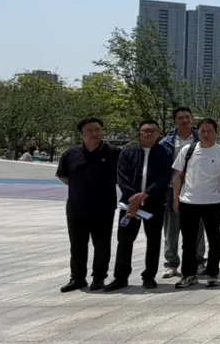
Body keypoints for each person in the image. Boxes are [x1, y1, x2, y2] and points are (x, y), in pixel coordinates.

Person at [106, 120, 173, 291]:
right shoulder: (127, 152)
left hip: (154, 203)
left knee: (154, 240)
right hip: (129, 205)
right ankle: (120, 277)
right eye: (145, 130)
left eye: (152, 130)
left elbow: (164, 177)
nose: (149, 133)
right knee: (124, 240)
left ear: (158, 134)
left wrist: (145, 194)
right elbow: (121, 176)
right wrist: (134, 199)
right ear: (139, 133)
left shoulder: (165, 153)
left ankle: (149, 276)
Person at [56, 117, 121, 292]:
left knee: (102, 244)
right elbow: (64, 177)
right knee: (77, 244)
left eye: (98, 129)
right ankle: (77, 278)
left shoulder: (114, 153)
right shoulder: (70, 154)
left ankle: (99, 278)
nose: (95, 133)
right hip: (76, 207)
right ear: (81, 134)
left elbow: (121, 176)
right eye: (90, 130)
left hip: (103, 207)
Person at [171, 118, 220, 288]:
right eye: (202, 131)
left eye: (209, 131)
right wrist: (175, 198)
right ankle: (189, 274)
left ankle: (212, 273)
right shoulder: (188, 150)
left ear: (216, 133)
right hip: (188, 202)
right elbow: (178, 176)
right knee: (188, 241)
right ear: (197, 132)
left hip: (213, 203)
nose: (206, 134)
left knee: (214, 239)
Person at [159, 107, 205, 279]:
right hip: (173, 188)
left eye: (187, 117)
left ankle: (199, 261)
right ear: (174, 121)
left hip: (196, 188)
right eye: (180, 118)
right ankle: (171, 263)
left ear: (192, 118)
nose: (185, 120)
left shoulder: (201, 138)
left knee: (198, 227)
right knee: (172, 228)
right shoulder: (166, 142)